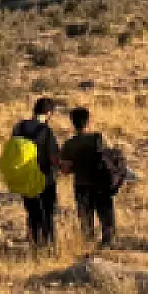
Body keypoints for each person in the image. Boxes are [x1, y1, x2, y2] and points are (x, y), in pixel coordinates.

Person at [61, 107, 116, 248]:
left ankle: (88, 244)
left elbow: (66, 170)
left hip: (81, 185)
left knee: (85, 219)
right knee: (106, 218)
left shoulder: (69, 144)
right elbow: (112, 156)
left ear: (72, 123)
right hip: (101, 184)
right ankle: (108, 245)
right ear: (89, 121)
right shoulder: (99, 138)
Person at [12, 97, 61, 248]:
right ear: (48, 113)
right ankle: (49, 246)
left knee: (33, 213)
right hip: (45, 178)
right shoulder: (46, 131)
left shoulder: (19, 127)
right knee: (47, 214)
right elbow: (53, 157)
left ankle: (35, 243)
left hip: (25, 177)